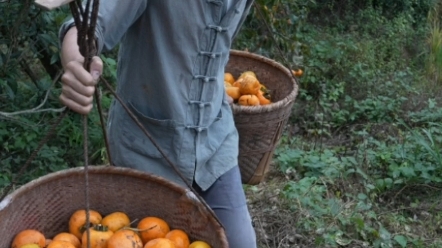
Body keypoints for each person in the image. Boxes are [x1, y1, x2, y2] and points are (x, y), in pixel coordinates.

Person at [58, 1, 257, 247]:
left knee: (240, 243)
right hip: (147, 148)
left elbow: (216, 41)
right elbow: (88, 25)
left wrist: (207, 89)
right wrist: (77, 62)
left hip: (215, 143)